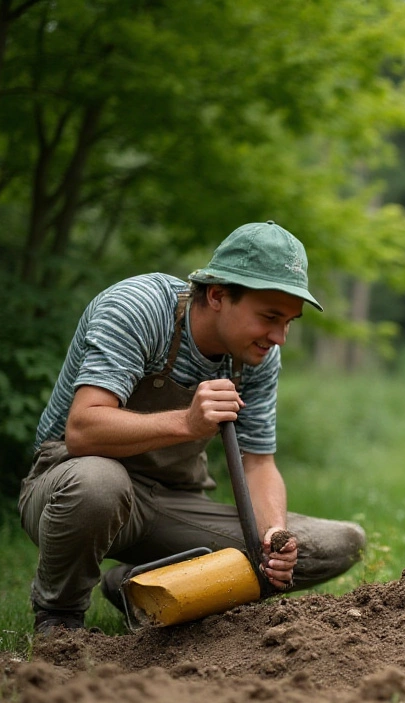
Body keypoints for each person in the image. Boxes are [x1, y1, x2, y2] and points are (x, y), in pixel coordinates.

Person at [20, 221, 366, 634]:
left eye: (289, 321)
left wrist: (274, 535)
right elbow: (82, 429)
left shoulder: (255, 355)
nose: (279, 338)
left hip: (172, 500)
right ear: (218, 294)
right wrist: (187, 421)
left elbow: (258, 464)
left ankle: (140, 586)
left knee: (334, 545)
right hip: (71, 486)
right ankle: (60, 617)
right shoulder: (139, 308)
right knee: (99, 483)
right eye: (270, 317)